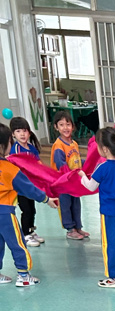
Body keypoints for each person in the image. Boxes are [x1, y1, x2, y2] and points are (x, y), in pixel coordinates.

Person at [78, 127, 115, 289]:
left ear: (104, 149)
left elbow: (91, 186)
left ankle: (113, 277)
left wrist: (82, 176)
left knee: (111, 244)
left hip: (109, 214)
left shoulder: (102, 168)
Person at [0, 123, 57, 287]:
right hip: (5, 214)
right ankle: (23, 276)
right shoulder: (10, 169)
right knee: (17, 243)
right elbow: (29, 189)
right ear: (4, 145)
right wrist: (46, 199)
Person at [50, 110, 88, 240]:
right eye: (61, 125)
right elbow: (60, 164)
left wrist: (88, 162)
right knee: (65, 205)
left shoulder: (74, 144)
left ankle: (77, 226)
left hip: (73, 183)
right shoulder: (58, 145)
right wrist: (70, 174)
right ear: (56, 127)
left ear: (73, 126)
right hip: (63, 183)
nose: (65, 128)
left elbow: (76, 160)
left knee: (76, 204)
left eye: (68, 124)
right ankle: (70, 229)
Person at [9, 116, 44, 247]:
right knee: (26, 211)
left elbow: (39, 164)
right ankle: (25, 234)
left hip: (31, 186)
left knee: (32, 210)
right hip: (21, 188)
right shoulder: (16, 149)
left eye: (24, 130)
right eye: (18, 131)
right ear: (13, 134)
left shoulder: (31, 148)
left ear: (29, 132)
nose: (22, 134)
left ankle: (30, 230)